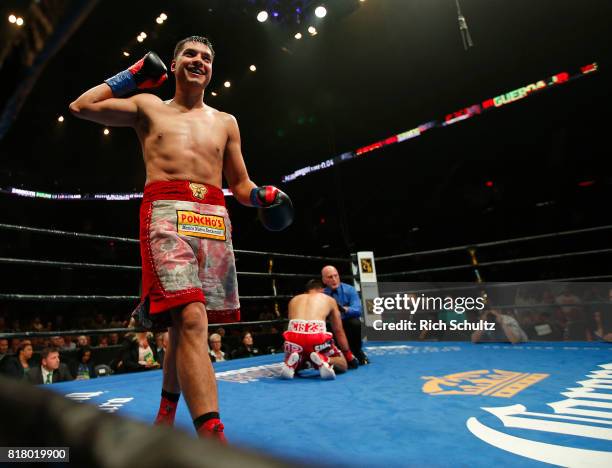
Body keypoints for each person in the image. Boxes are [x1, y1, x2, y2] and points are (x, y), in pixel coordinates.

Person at [69, 35, 293, 441]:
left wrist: (261, 195)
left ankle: (166, 412)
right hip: (166, 214)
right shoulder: (148, 107)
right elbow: (82, 106)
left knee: (187, 326)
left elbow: (240, 184)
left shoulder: (226, 122)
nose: (199, 61)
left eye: (206, 57)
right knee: (190, 317)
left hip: (214, 220)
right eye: (190, 54)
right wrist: (134, 75)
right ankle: (211, 431)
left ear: (211, 70)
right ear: (172, 66)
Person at [281, 279, 359, 380]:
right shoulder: (329, 299)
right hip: (315, 336)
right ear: (322, 290)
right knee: (343, 365)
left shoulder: (294, 300)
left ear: (307, 291)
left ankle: (293, 363)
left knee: (300, 352)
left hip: (293, 337)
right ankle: (323, 358)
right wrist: (348, 355)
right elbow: (338, 331)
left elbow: (291, 325)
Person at [321, 265, 368, 364]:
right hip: (331, 326)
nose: (334, 279)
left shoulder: (349, 290)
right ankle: (332, 354)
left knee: (355, 323)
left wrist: (344, 310)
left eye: (336, 276)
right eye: (330, 277)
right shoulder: (322, 295)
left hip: (346, 323)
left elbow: (358, 310)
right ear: (324, 280)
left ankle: (357, 351)